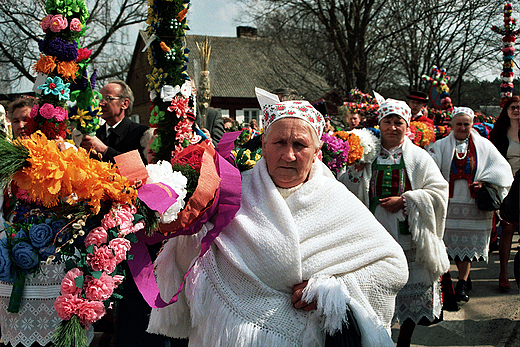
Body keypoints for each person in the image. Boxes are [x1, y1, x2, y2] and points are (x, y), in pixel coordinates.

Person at [148, 99, 409, 346]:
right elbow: (188, 263)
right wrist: (187, 222)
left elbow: (393, 266)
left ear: (317, 151)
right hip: (228, 335)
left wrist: (330, 288)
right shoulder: (229, 192)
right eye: (279, 142)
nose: (289, 155)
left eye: (300, 145)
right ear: (264, 144)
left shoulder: (338, 200)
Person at [338, 99, 449, 347]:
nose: (392, 127)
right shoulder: (368, 155)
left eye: (398, 122)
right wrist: (355, 171)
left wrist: (407, 200)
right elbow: (346, 188)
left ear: (406, 126)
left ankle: (405, 341)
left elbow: (439, 190)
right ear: (380, 123)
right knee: (378, 287)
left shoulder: (419, 157)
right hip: (374, 232)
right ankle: (380, 335)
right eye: (387, 121)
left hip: (408, 233)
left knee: (412, 287)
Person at [429, 107, 513, 302]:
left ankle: (462, 284)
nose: (462, 127)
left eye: (466, 124)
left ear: (472, 124)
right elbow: (429, 167)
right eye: (458, 123)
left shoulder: (484, 146)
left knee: (466, 247)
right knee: (450, 244)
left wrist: (484, 181)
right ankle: (459, 280)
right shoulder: (440, 145)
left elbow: (501, 169)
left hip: (472, 205)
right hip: (448, 205)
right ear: (451, 125)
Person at [489, 96, 520, 291]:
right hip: (506, 185)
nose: (516, 110)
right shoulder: (499, 133)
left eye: (519, 107)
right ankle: (503, 272)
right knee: (507, 229)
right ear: (506, 111)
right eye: (512, 107)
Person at [80, 80, 149, 164]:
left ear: (124, 104)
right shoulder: (95, 134)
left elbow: (139, 167)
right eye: (99, 99)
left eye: (107, 98)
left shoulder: (141, 133)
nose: (101, 103)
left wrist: (105, 150)